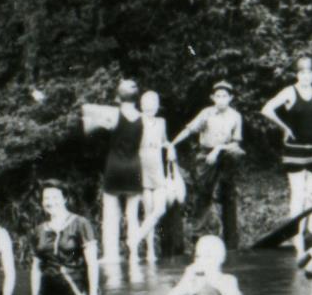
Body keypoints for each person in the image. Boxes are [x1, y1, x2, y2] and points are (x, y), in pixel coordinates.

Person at [261, 57, 312, 216]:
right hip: (294, 150)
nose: (306, 76)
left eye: (309, 72)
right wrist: (284, 126)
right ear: (297, 75)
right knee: (298, 194)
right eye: (302, 72)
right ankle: (296, 235)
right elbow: (267, 109)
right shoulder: (289, 92)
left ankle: (310, 232)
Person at [171, 80, 245, 249]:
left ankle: (231, 242)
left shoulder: (235, 116)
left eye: (224, 96)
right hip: (206, 155)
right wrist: (172, 143)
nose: (221, 100)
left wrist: (219, 149)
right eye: (217, 96)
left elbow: (236, 143)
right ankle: (198, 237)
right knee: (202, 194)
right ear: (213, 98)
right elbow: (189, 130)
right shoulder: (207, 113)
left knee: (229, 194)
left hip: (225, 154)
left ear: (230, 98)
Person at [97, 79, 146, 275]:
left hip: (114, 166)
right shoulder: (143, 118)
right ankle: (134, 254)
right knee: (132, 216)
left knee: (110, 215)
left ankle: (111, 255)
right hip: (134, 166)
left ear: (118, 97)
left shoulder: (113, 115)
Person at [29, 181, 99, 295]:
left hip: (76, 292)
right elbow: (36, 268)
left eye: (55, 197)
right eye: (46, 198)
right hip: (47, 294)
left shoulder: (80, 224)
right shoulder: (39, 230)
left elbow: (92, 264)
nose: (50, 202)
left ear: (65, 199)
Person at [131, 90, 173, 263]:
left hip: (158, 169)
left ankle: (135, 239)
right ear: (141, 105)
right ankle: (150, 252)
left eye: (154, 104)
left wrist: (171, 147)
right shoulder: (137, 121)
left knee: (159, 209)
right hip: (142, 167)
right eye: (147, 104)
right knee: (148, 211)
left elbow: (165, 141)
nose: (151, 108)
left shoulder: (161, 122)